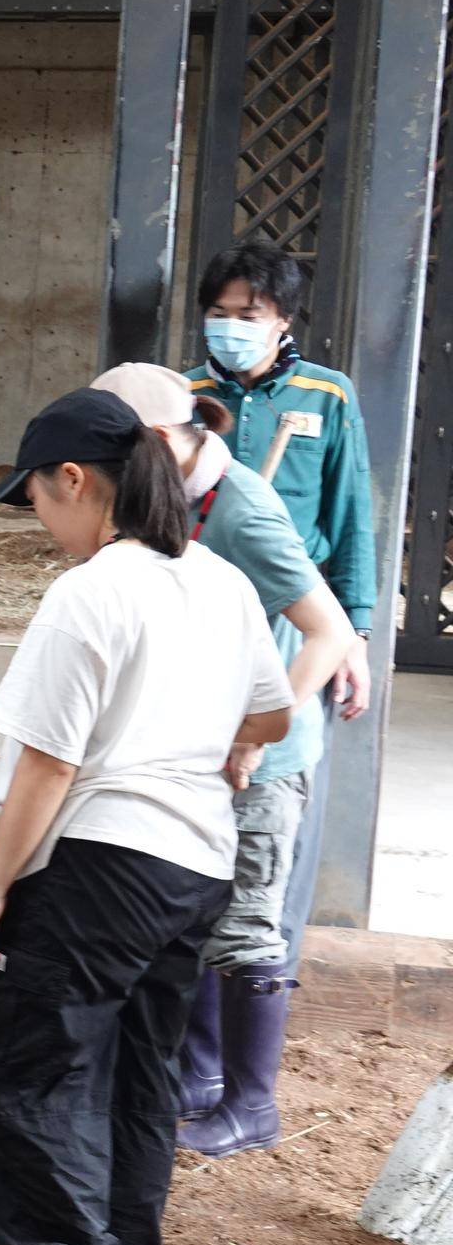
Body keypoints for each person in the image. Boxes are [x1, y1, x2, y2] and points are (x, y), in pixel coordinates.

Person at [0, 388, 294, 1245]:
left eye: (35, 499)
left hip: (103, 857)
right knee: (137, 1066)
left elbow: (45, 767)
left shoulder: (91, 592)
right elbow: (271, 715)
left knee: (35, 1069)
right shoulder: (219, 581)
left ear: (74, 481)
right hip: (196, 862)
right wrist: (218, 742)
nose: (37, 522)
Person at [90, 364, 353, 1159]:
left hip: (261, 763)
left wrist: (257, 734)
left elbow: (329, 631)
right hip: (202, 746)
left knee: (245, 928)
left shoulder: (243, 509)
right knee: (202, 916)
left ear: (161, 442)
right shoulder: (176, 500)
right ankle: (197, 1078)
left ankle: (252, 1103)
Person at [186, 242, 375, 985]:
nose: (230, 328)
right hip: (202, 615)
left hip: (296, 622)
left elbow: (351, 517)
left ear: (284, 321)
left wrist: (351, 633)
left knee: (275, 806)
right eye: (218, 313)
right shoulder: (186, 395)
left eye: (248, 315)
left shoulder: (327, 397)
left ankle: (258, 984)